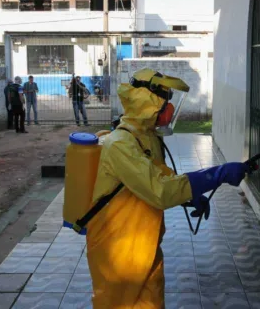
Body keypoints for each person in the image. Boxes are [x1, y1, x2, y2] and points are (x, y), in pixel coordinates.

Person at [86, 68, 250, 308]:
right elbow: (159, 191)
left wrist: (190, 195)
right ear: (148, 103)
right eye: (164, 103)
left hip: (145, 243)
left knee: (151, 302)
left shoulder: (147, 137)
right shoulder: (120, 144)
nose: (168, 111)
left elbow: (160, 175)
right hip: (118, 248)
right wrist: (217, 174)